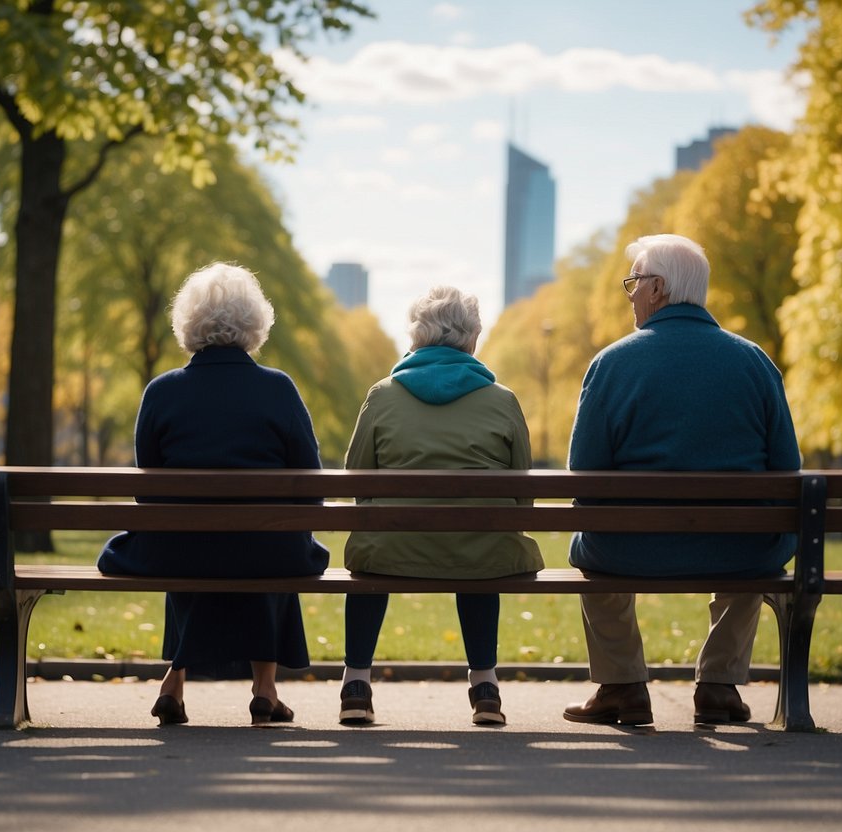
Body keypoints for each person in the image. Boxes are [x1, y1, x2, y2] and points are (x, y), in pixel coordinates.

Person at [563, 234, 801, 726]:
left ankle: (622, 685)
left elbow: (584, 478)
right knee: (757, 540)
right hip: (738, 551)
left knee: (588, 544)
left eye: (634, 282)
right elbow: (787, 468)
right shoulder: (755, 362)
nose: (629, 294)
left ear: (658, 288)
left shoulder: (611, 364)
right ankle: (719, 685)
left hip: (627, 550)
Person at [98, 262, 329, 727]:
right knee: (277, 541)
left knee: (183, 540)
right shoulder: (278, 389)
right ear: (255, 323)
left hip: (180, 549)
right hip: (267, 550)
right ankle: (265, 688)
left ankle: (174, 682)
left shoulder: (161, 391)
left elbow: (149, 493)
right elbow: (312, 485)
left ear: (188, 324)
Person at [338, 286, 544, 727]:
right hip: (481, 551)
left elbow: (358, 480)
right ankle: (485, 687)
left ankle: (356, 684)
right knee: (483, 540)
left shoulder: (382, 395)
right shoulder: (502, 400)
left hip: (391, 549)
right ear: (472, 339)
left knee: (372, 550)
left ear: (416, 335)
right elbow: (523, 496)